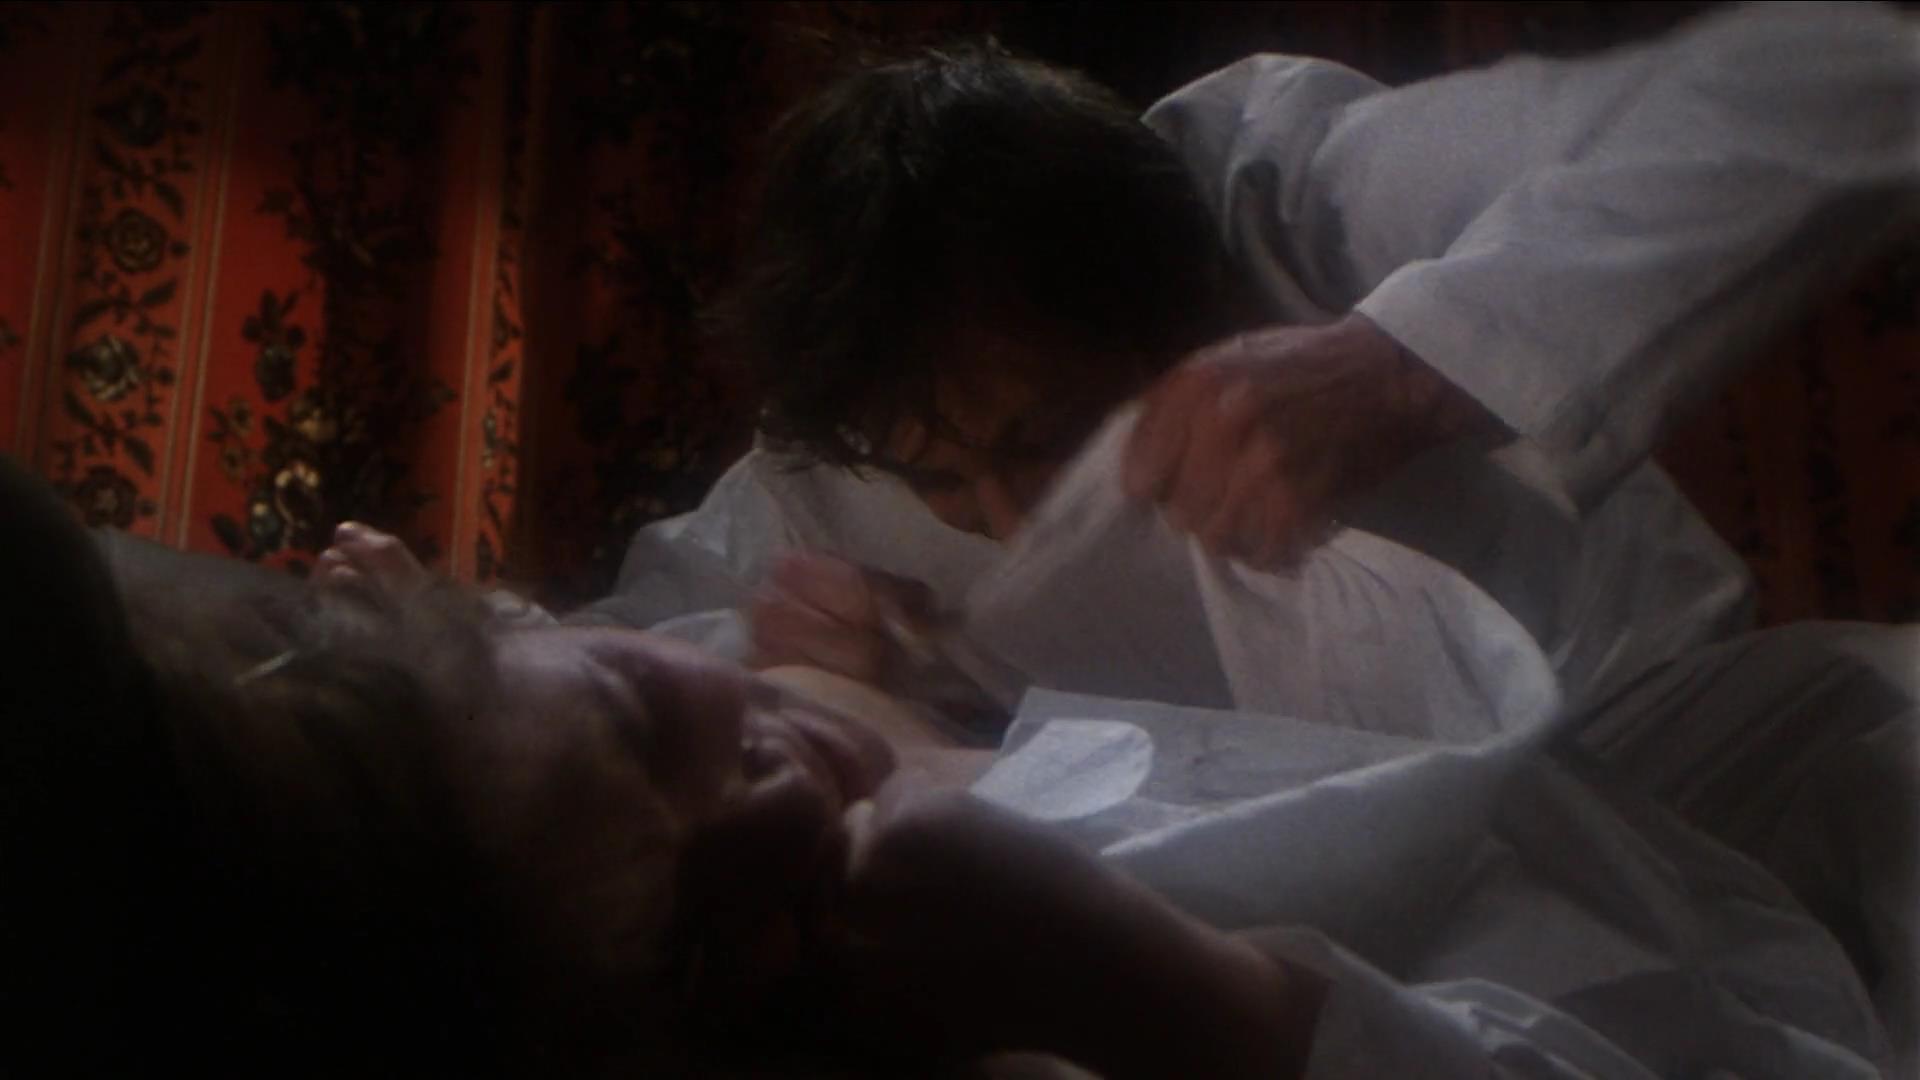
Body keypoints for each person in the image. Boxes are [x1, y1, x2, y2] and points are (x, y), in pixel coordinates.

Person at [4, 455, 1903, 1077]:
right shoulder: (1000, 1016)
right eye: (692, 950)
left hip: (1683, 851)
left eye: (642, 726)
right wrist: (1204, 1011)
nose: (774, 804)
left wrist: (913, 681)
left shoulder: (693, 634)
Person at [330, 2, 1917, 728]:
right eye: (942, 482)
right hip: (1352, 909)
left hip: (1646, 730)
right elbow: (638, 645)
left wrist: (1398, 368)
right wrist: (467, 645)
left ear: (1170, 303)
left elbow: (1854, 79)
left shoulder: (1276, 193)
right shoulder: (835, 465)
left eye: (1044, 440)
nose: (1006, 516)